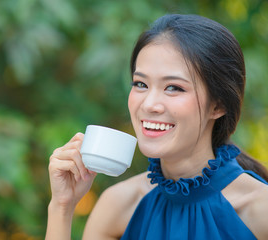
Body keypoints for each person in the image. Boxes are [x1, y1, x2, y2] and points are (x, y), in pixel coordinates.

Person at [45, 14, 268, 239]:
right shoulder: (118, 205)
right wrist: (61, 207)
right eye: (141, 84)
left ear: (217, 105)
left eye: (173, 88)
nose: (149, 104)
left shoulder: (259, 209)